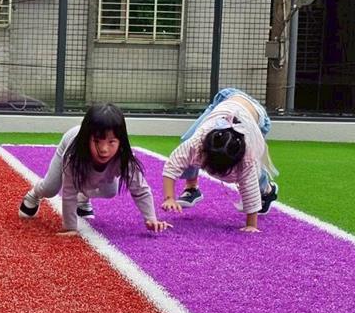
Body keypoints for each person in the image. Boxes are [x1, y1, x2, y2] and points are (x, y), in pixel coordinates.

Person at [18, 103, 172, 235]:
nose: (104, 149)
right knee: (50, 188)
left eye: (111, 142)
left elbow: (140, 189)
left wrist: (151, 218)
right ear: (87, 139)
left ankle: (83, 198)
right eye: (97, 141)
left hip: (94, 171)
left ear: (120, 141)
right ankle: (34, 194)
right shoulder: (73, 154)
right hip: (71, 144)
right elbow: (69, 192)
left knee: (110, 191)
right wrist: (70, 227)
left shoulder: (125, 158)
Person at [160, 87, 280, 233]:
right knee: (186, 141)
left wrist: (251, 225)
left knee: (252, 171)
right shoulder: (196, 142)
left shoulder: (246, 157)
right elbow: (172, 165)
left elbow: (250, 188)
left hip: (257, 116)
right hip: (225, 99)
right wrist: (169, 198)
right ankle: (192, 188)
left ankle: (267, 191)